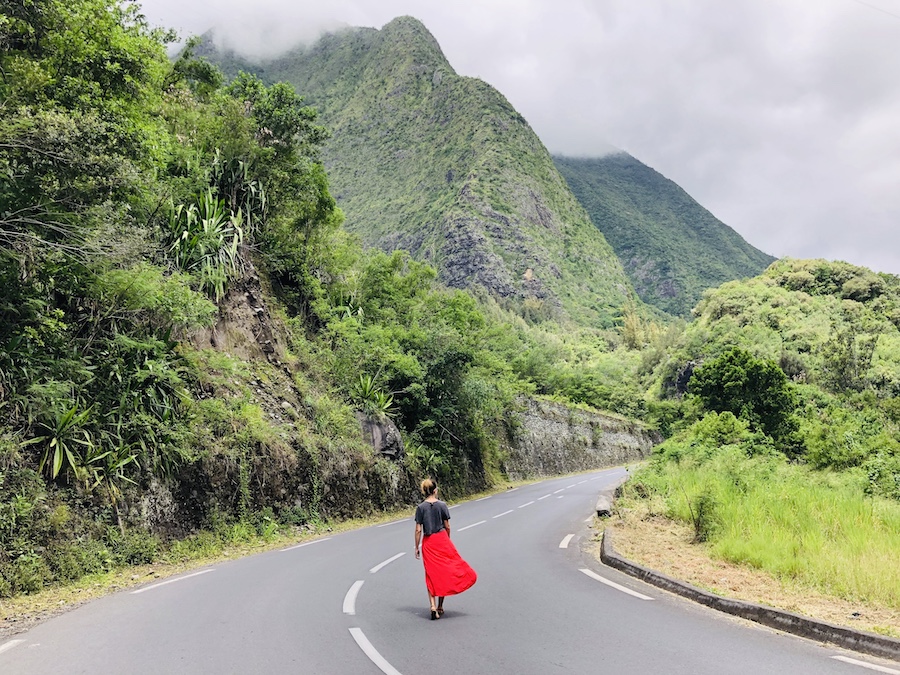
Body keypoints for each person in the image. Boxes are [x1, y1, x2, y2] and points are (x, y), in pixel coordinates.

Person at [414, 478, 477, 620]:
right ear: (435, 490)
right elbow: (447, 525)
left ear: (424, 491)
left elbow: (418, 530)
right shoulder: (442, 505)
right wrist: (447, 540)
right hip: (442, 540)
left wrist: (416, 547)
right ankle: (441, 605)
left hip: (428, 543)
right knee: (445, 572)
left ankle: (432, 606)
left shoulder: (420, 508)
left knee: (431, 574)